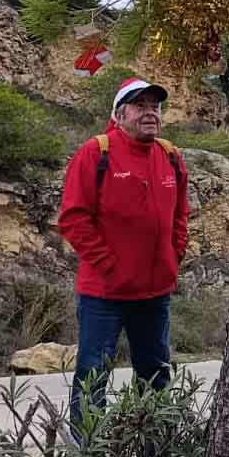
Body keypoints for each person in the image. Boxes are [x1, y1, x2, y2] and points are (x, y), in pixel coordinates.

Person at [58, 75, 189, 431]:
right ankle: (87, 453)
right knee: (93, 375)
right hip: (105, 293)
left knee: (156, 374)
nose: (150, 113)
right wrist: (110, 267)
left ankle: (154, 451)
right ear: (118, 115)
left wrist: (173, 256)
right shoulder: (95, 152)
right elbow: (73, 218)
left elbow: (181, 215)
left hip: (154, 293)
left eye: (155, 106)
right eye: (140, 106)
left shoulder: (170, 156)